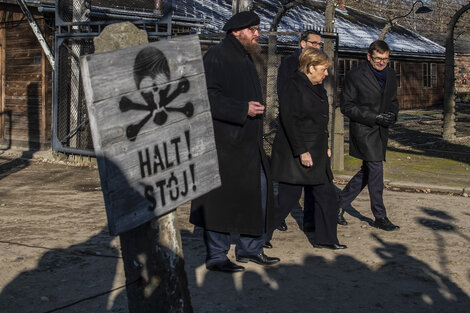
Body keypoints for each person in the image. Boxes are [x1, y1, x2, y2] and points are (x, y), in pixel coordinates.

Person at [190, 11, 280, 273]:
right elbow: (205, 97)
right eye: (253, 29)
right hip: (224, 144)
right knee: (220, 200)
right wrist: (242, 109)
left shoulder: (244, 56)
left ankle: (250, 249)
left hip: (247, 143)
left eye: (257, 29)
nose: (257, 34)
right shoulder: (217, 56)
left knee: (259, 192)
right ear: (236, 31)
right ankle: (216, 256)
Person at [271, 47, 347, 250]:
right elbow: (291, 121)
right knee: (288, 198)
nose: (326, 74)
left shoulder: (317, 87)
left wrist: (326, 146)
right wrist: (302, 151)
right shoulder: (293, 86)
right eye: (323, 69)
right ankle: (257, 235)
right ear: (311, 67)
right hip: (297, 154)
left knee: (327, 195)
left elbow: (321, 119)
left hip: (317, 151)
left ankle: (327, 239)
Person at [275, 30, 334, 234]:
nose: (317, 46)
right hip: (298, 136)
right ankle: (273, 221)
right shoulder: (291, 67)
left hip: (314, 138)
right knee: (289, 192)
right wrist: (301, 147)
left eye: (320, 44)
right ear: (302, 43)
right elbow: (289, 107)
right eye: (313, 43)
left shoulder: (320, 74)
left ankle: (313, 223)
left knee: (319, 188)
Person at [338, 40, 399, 231]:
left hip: (382, 130)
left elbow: (393, 100)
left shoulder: (390, 73)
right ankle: (380, 216)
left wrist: (392, 115)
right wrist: (374, 117)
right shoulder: (355, 75)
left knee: (368, 172)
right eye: (378, 59)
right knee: (376, 170)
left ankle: (337, 204)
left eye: (385, 59)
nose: (382, 63)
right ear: (368, 56)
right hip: (364, 129)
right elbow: (346, 106)